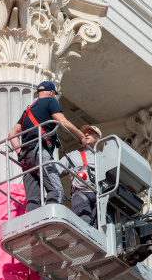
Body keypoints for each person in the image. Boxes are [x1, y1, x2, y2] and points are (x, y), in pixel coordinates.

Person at [7, 81, 88, 212]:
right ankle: (51, 221)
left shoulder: (27, 111)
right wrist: (81, 136)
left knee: (33, 198)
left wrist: (20, 153)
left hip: (26, 157)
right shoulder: (51, 101)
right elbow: (62, 121)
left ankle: (33, 226)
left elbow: (12, 134)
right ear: (52, 93)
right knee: (56, 191)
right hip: (39, 152)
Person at [60, 125, 102, 228]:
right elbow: (54, 169)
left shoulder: (104, 156)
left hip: (99, 196)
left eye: (91, 132)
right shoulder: (74, 155)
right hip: (81, 194)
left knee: (98, 228)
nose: (86, 134)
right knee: (84, 223)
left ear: (98, 138)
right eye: (85, 133)